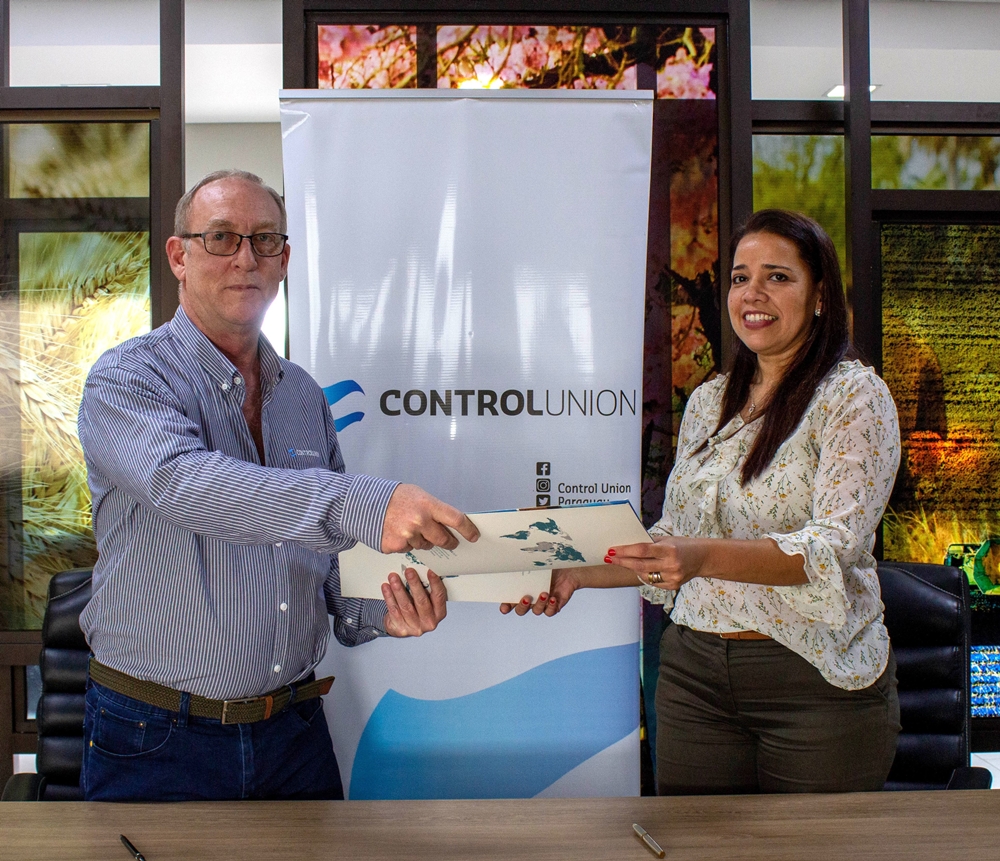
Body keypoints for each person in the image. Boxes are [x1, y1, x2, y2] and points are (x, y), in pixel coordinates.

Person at [77, 169, 480, 802]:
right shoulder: (126, 379)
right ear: (179, 256)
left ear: (285, 259)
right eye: (221, 237)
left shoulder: (302, 397)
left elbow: (332, 569)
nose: (245, 258)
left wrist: (385, 609)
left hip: (292, 736)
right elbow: (186, 485)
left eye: (265, 240)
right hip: (155, 737)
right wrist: (362, 503)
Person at [504, 209, 902, 795]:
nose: (753, 294)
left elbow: (831, 548)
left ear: (820, 294)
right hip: (694, 679)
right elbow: (671, 541)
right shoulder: (711, 400)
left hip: (813, 684)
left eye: (778, 277)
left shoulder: (853, 395)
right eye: (740, 277)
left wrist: (700, 556)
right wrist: (576, 574)